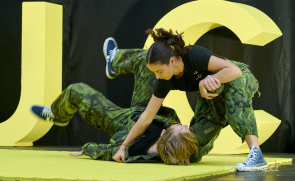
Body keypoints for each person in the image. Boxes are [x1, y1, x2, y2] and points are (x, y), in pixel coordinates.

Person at [113, 28, 268, 171]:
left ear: (172, 61)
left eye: (159, 71)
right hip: (210, 95)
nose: (157, 76)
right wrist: (124, 146)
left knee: (234, 102)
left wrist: (205, 81)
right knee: (191, 146)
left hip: (234, 79)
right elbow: (147, 116)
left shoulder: (193, 55)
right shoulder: (165, 81)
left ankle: (256, 154)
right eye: (154, 73)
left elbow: (234, 71)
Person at [30, 37, 199, 165]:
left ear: (164, 133)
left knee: (76, 90)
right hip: (143, 110)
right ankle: (115, 62)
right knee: (146, 59)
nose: (185, 126)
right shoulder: (184, 147)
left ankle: (58, 114)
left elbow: (110, 151)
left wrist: (88, 149)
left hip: (120, 121)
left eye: (181, 127)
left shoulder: (136, 148)